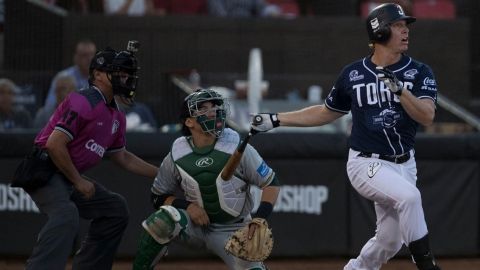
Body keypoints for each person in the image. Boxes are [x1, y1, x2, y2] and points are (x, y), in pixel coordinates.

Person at [250, 3, 441, 270]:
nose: (405, 31)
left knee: (389, 241)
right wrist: (277, 119)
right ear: (381, 32)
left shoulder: (419, 72)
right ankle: (427, 265)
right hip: (366, 163)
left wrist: (400, 91)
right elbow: (326, 112)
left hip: (405, 164)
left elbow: (427, 116)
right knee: (409, 198)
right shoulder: (353, 73)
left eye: (405, 26)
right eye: (398, 26)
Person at [22, 43, 158, 270]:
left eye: (126, 74)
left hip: (65, 175)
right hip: (44, 168)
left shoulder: (116, 115)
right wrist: (78, 181)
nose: (124, 78)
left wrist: (161, 171)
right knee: (66, 215)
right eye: (118, 72)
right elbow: (55, 145)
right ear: (97, 75)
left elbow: (122, 157)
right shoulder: (83, 100)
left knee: (115, 208)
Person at [132, 88, 280, 270]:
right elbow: (158, 197)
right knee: (162, 220)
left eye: (215, 107)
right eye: (204, 108)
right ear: (189, 122)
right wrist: (187, 207)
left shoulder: (236, 146)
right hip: (195, 226)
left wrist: (259, 220)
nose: (213, 112)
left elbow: (271, 183)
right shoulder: (178, 153)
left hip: (234, 229)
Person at [43, 39, 96, 110]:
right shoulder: (63, 77)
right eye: (84, 55)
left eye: (92, 54)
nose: (89, 59)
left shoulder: (102, 77)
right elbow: (49, 106)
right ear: (76, 58)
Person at [207, 0, 281, 18]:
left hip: (249, 29)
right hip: (225, 31)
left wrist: (272, 11)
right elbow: (219, 14)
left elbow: (262, 8)